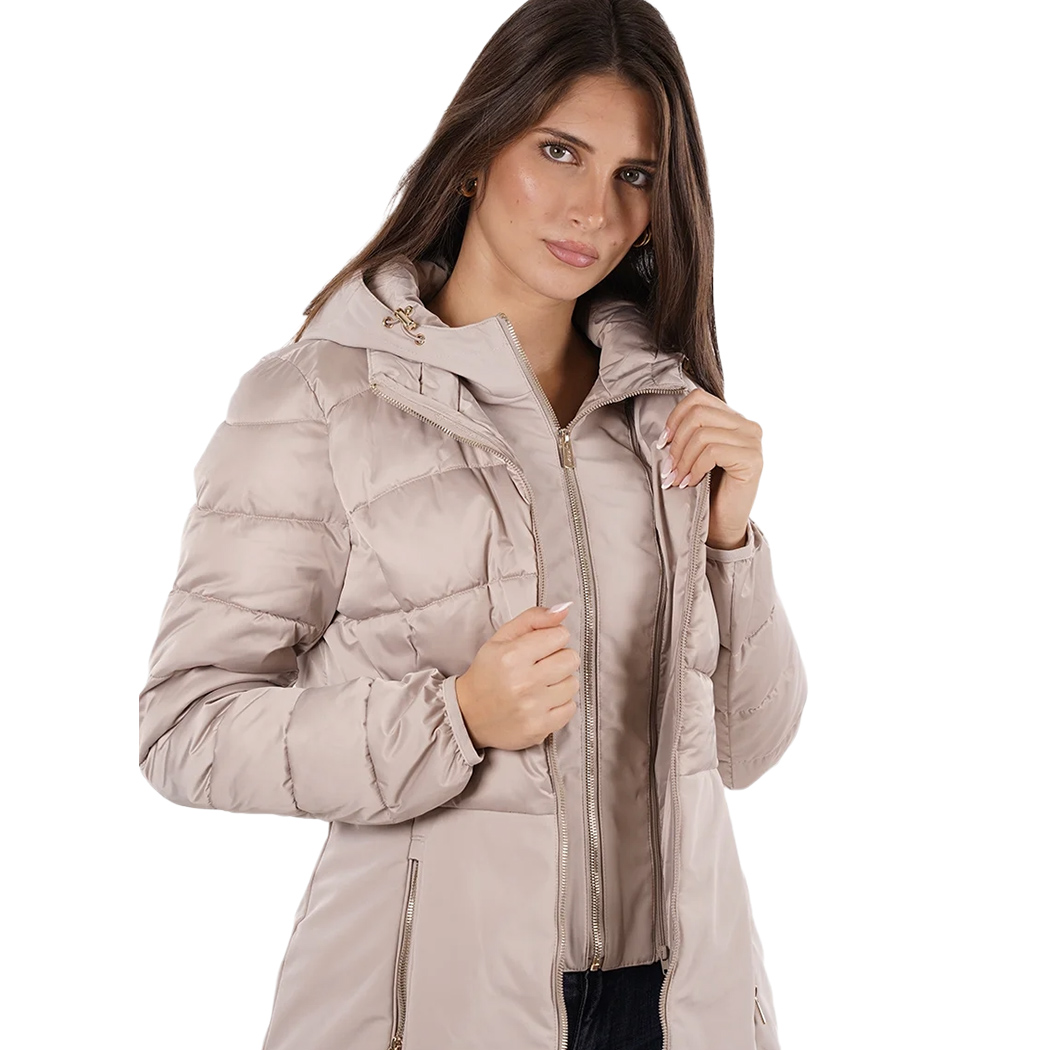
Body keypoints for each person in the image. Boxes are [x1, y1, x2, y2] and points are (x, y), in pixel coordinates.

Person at [136, 1, 807, 1047]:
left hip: (681, 1010)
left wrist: (730, 544)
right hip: (430, 1008)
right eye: (559, 151)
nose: (594, 210)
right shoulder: (322, 399)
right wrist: (453, 718)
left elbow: (748, 749)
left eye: (634, 174)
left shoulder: (665, 416)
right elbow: (186, 728)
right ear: (475, 154)